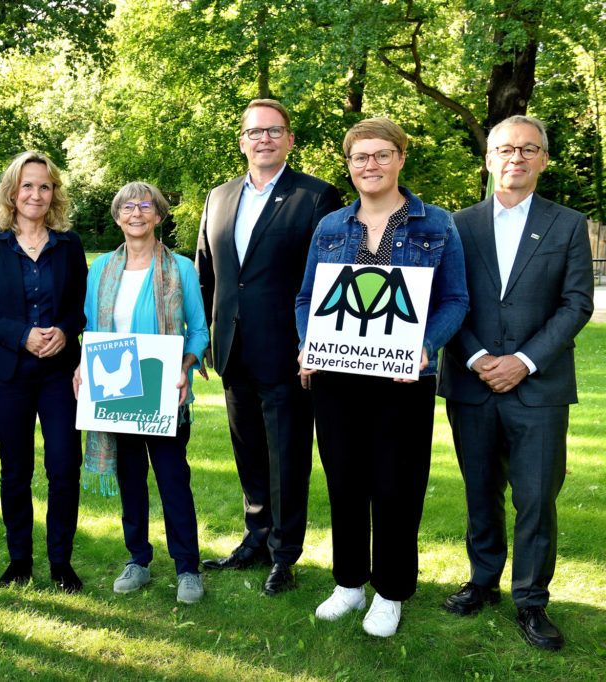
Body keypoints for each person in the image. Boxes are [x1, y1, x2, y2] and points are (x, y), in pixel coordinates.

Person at [295, 117, 468, 637]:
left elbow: (455, 299)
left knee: (397, 484)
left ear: (400, 159)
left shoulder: (436, 224)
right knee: (344, 480)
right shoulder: (330, 227)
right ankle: (349, 583)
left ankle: (391, 591)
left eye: (381, 155)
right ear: (348, 166)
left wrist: (424, 346)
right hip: (336, 378)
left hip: (403, 380)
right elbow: (308, 298)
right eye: (360, 157)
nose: (370, 165)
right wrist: (309, 345)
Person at [438, 116, 593, 651]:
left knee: (535, 498)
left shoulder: (569, 224)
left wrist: (524, 360)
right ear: (488, 159)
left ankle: (531, 601)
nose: (517, 158)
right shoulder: (455, 225)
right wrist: (480, 357)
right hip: (471, 382)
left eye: (530, 149)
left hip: (539, 388)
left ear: (543, 160)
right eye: (506, 149)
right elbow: (444, 301)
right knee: (481, 493)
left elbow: (577, 303)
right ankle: (483, 582)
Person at [195, 98, 342, 594]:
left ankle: (285, 553)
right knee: (249, 453)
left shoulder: (318, 197)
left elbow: (330, 280)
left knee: (286, 456)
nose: (264, 139)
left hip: (289, 353)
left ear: (289, 140)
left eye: (274, 131)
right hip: (232, 350)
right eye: (255, 132)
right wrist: (205, 341)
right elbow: (206, 274)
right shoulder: (218, 196)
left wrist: (314, 345)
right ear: (242, 141)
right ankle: (254, 541)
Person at [75, 182, 210, 604]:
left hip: (163, 391)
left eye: (145, 206)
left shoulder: (181, 268)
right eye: (128, 207)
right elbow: (90, 328)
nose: (136, 213)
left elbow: (200, 330)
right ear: (117, 217)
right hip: (117, 393)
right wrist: (83, 362)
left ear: (158, 215)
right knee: (130, 480)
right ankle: (138, 560)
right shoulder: (99, 270)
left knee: (173, 481)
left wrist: (187, 366)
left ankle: (188, 567)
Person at [0, 151, 87, 592]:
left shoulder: (68, 244)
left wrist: (65, 333)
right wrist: (22, 335)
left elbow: (78, 308)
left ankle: (60, 561)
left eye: (45, 186)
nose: (36, 194)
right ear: (12, 191)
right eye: (27, 185)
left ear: (55, 193)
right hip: (6, 373)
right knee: (14, 468)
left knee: (64, 466)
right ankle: (19, 560)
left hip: (58, 375)